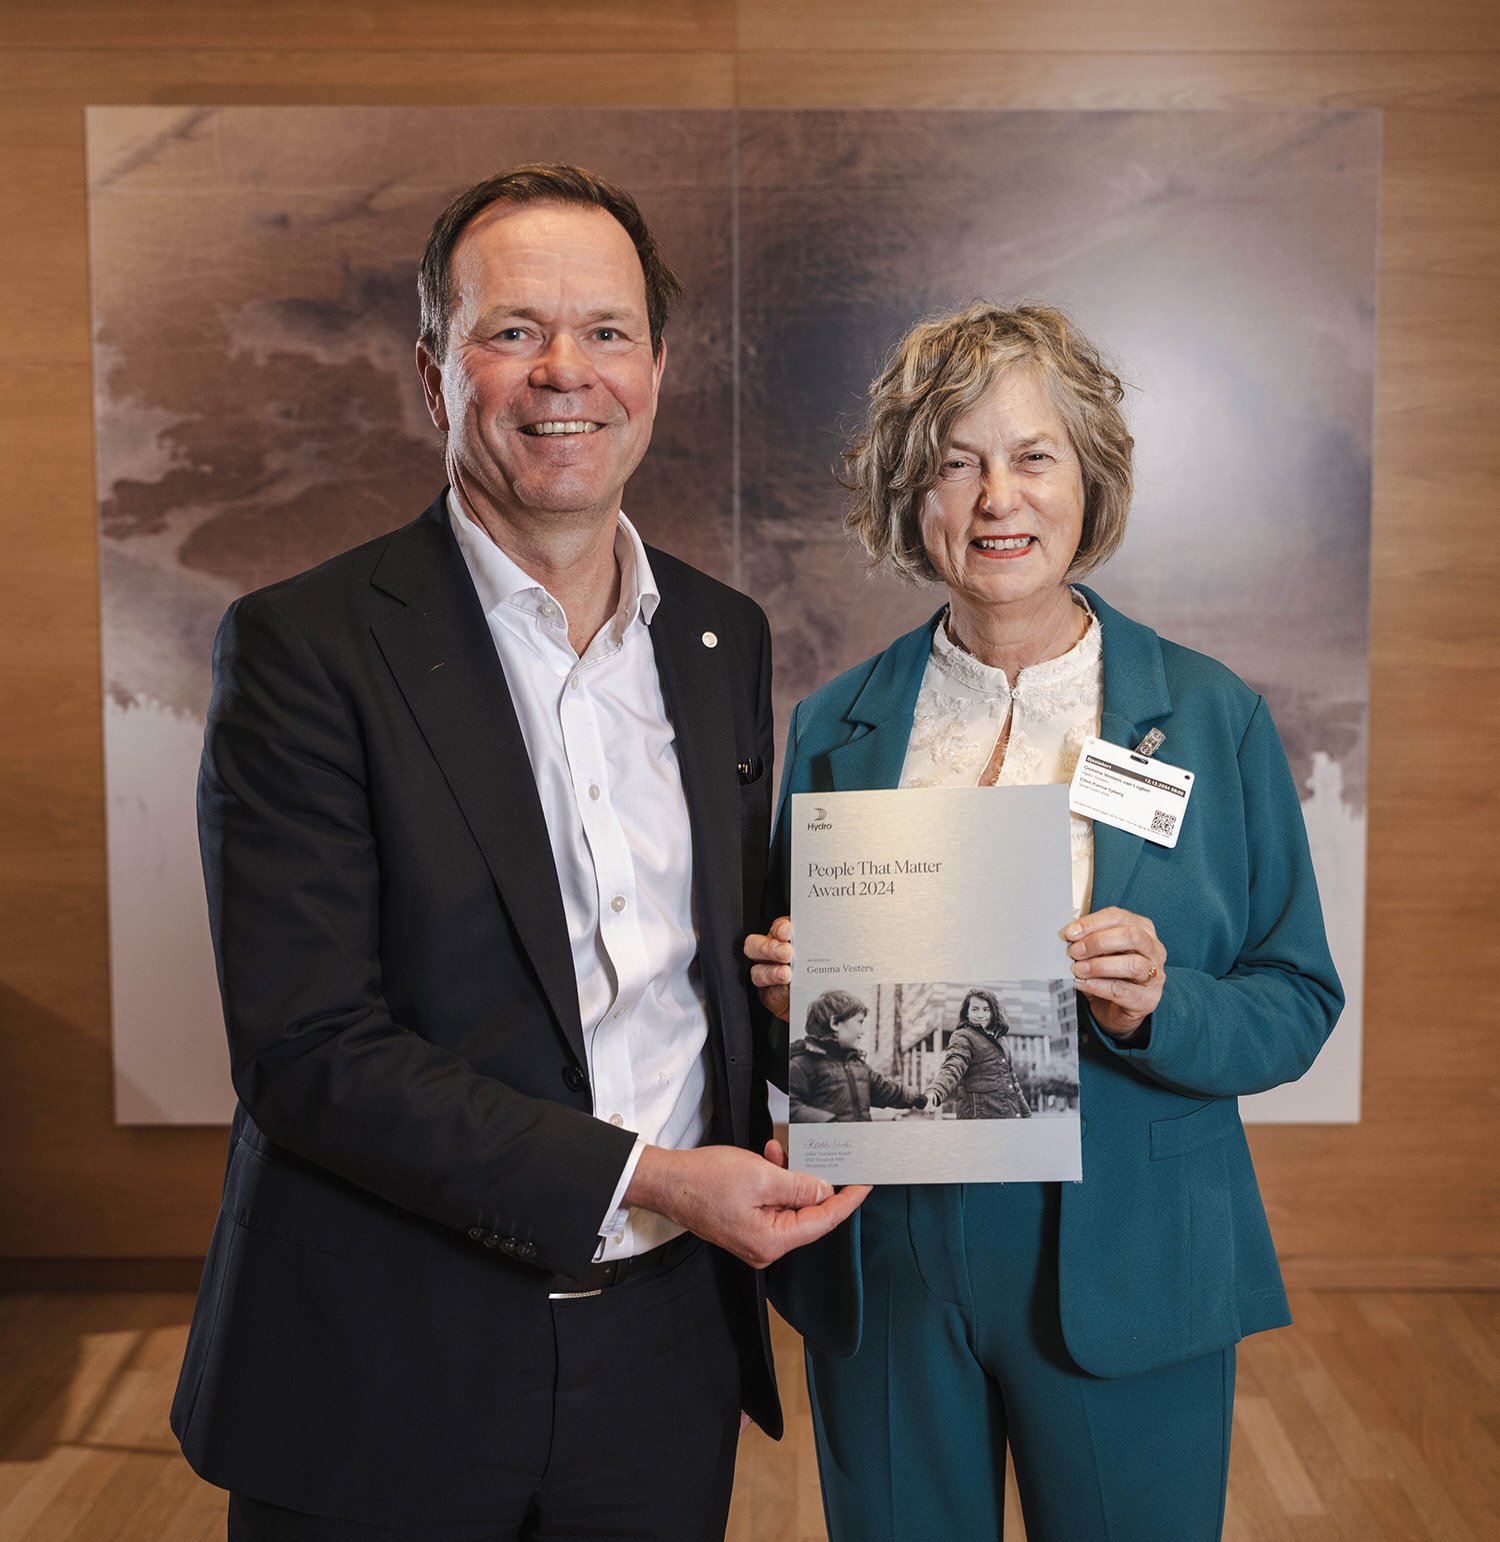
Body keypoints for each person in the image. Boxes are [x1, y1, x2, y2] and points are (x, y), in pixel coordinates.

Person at [171, 163, 864, 1542]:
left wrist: (818, 1016)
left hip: (667, 1351)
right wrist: (652, 1176)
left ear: (656, 371)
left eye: (607, 331)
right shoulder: (306, 647)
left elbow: (708, 970)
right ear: (435, 377)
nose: (566, 373)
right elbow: (308, 1051)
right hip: (389, 1354)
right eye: (512, 332)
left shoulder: (720, 637)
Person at [745, 303, 1343, 1541]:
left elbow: (1295, 999)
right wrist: (795, 1005)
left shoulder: (1210, 715)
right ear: (910, 493)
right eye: (954, 463)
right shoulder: (836, 725)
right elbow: (786, 1038)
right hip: (886, 1257)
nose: (995, 499)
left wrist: (1163, 1005)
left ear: (1090, 478)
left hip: (1130, 1253)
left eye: (1032, 456)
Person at [789, 989, 926, 1123]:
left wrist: (916, 1097)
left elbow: (886, 1090)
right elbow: (790, 1107)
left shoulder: (859, 1066)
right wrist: (826, 1122)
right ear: (835, 1023)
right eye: (859, 1022)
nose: (862, 1031)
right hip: (830, 1138)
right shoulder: (803, 1063)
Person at [923, 988, 1032, 1119]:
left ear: (993, 1012)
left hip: (1008, 1117)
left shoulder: (1002, 1041)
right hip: (978, 1119)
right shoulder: (963, 1036)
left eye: (986, 1010)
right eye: (975, 1009)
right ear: (967, 1013)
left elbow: (1014, 1085)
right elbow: (952, 1068)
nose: (981, 1015)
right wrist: (935, 1091)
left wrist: (1027, 1116)